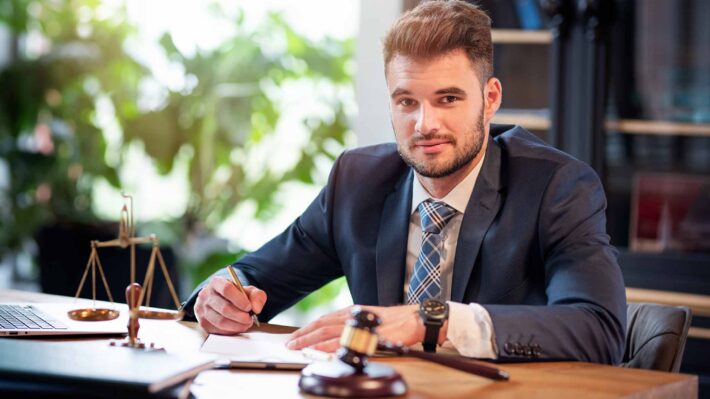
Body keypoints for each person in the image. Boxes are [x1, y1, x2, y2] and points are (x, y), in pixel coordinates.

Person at [182, 0, 626, 364]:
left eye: (448, 99)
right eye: (406, 101)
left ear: (490, 99)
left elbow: (598, 329)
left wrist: (430, 320)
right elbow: (255, 278)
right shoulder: (357, 181)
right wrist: (221, 295)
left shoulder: (557, 187)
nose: (424, 124)